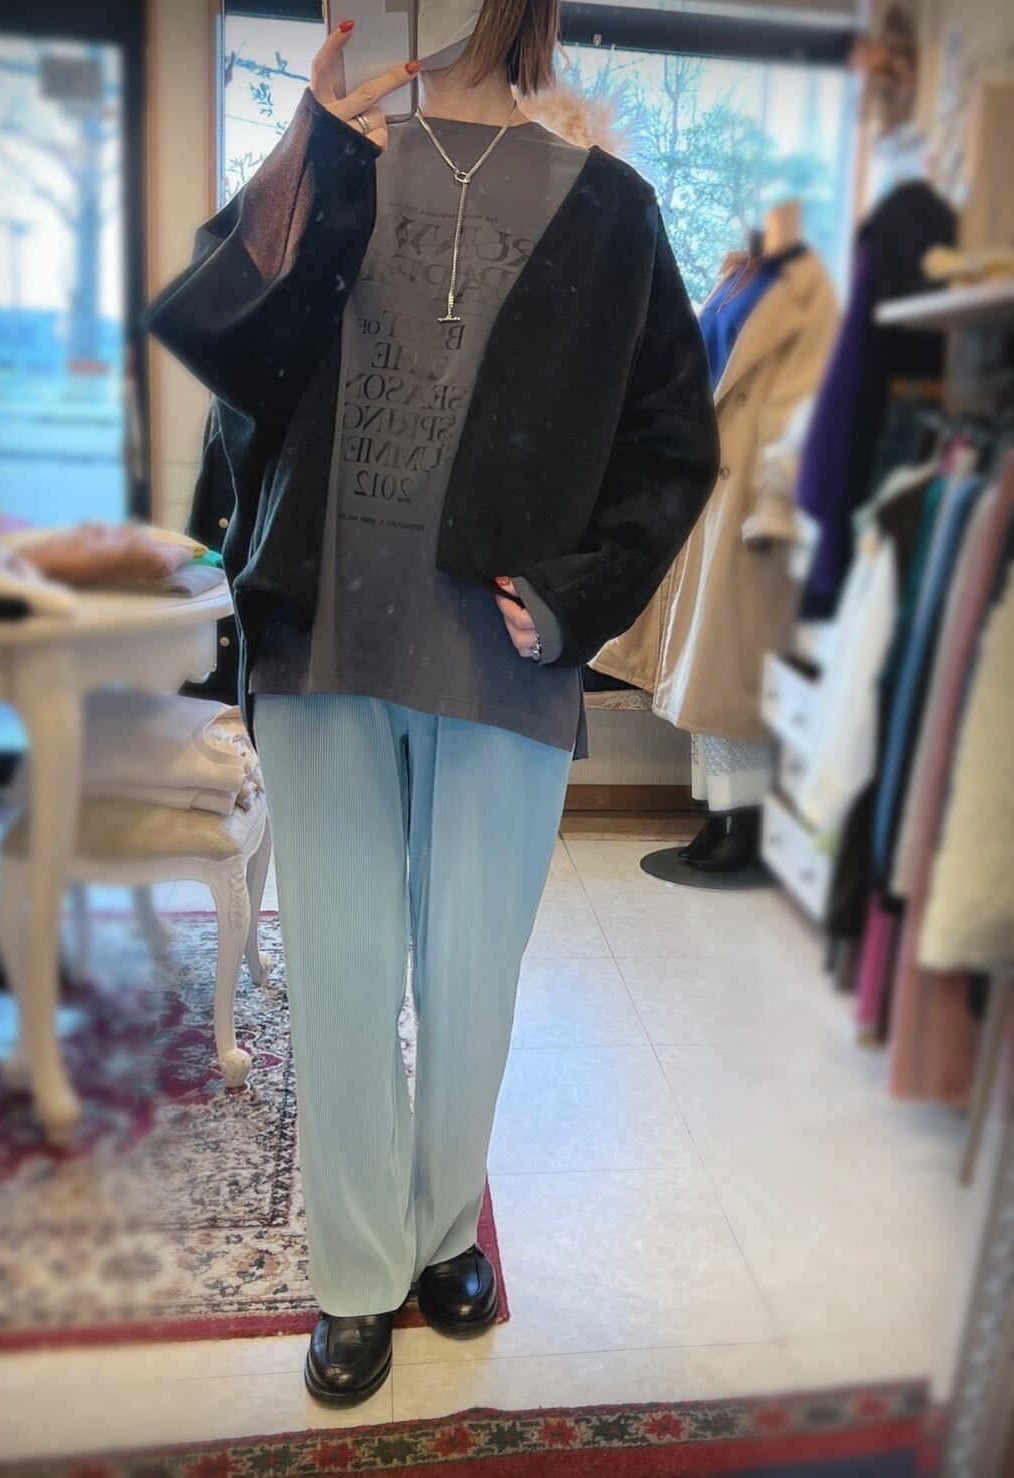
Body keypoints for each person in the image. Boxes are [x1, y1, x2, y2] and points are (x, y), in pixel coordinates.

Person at [145, 0, 718, 1407]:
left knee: (471, 974)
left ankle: (446, 1227)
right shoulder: (337, 152)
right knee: (342, 973)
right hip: (324, 633)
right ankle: (356, 1274)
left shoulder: (610, 205)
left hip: (501, 653)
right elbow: (225, 358)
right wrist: (305, 156)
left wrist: (583, 594)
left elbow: (671, 438)